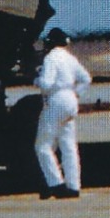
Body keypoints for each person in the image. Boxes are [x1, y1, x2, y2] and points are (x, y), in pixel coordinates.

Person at [33, 27, 91, 199]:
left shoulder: (51, 58)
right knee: (68, 145)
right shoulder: (70, 58)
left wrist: (36, 80)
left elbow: (46, 84)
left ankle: (55, 184)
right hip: (71, 99)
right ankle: (73, 186)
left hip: (56, 99)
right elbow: (86, 78)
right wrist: (76, 93)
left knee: (43, 145)